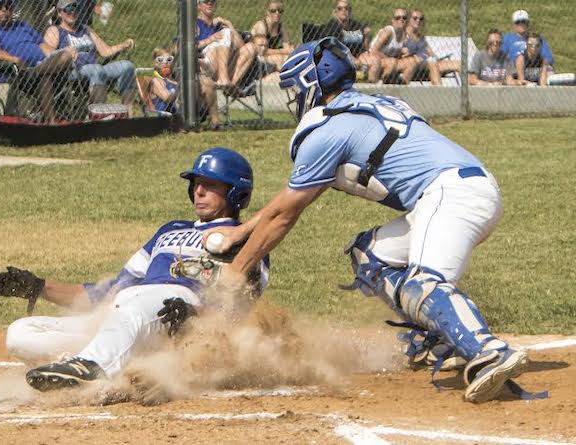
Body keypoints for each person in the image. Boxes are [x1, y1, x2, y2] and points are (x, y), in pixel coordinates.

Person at [206, 37, 542, 404]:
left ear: (313, 83)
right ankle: (444, 340)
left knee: (423, 283)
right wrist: (242, 231)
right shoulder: (364, 108)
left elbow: (285, 216)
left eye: (296, 89)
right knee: (371, 254)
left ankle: (489, 352)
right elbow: (285, 205)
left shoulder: (328, 130)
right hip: (460, 190)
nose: (294, 99)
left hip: (450, 194)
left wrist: (235, 272)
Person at [0, 147, 269, 392]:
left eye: (210, 184)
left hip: (176, 317)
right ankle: (113, 359)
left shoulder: (246, 242)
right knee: (21, 333)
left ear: (235, 194)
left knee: (130, 303)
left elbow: (239, 309)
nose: (199, 190)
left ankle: (93, 368)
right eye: (195, 183)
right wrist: (38, 286)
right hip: (129, 311)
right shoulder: (170, 230)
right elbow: (108, 291)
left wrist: (197, 319)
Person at [43, 0, 136, 112]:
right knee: (96, 69)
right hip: (72, 71)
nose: (72, 11)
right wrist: (65, 53)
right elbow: (47, 53)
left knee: (127, 66)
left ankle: (128, 114)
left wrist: (123, 45)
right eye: (68, 8)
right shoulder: (54, 30)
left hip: (96, 68)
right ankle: (98, 117)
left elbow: (105, 51)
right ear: (59, 12)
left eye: (75, 7)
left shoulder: (86, 29)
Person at [0, 0, 75, 124]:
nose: (5, 10)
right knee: (45, 76)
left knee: (67, 54)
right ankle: (52, 121)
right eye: (0, 7)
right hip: (21, 72)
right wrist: (14, 59)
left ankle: (38, 72)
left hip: (42, 66)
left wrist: (55, 55)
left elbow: (42, 44)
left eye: (8, 6)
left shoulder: (22, 25)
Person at [321, 0, 378, 80]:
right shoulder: (331, 27)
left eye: (346, 8)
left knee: (375, 62)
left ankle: (371, 85)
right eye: (340, 8)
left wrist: (367, 37)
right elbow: (332, 48)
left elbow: (365, 47)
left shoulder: (356, 25)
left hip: (358, 57)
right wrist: (350, 59)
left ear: (350, 11)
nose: (343, 11)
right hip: (340, 57)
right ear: (335, 12)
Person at [195, 0, 244, 89]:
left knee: (249, 47)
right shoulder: (196, 24)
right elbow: (190, 46)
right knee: (225, 33)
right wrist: (210, 39)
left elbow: (242, 47)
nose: (210, 3)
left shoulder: (219, 25)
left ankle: (228, 82)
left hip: (222, 65)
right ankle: (223, 78)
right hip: (205, 62)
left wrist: (229, 25)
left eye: (212, 1)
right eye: (206, 1)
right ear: (199, 6)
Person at [404, 9, 460, 86]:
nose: (418, 21)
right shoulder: (403, 35)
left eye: (421, 19)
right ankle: (439, 91)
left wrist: (435, 57)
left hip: (426, 65)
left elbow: (430, 53)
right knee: (432, 64)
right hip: (413, 66)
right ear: (408, 20)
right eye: (415, 18)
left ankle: (468, 91)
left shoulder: (420, 37)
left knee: (459, 64)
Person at [369, 8, 417, 84]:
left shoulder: (405, 35)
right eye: (397, 18)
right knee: (392, 62)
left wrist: (404, 53)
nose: (401, 20)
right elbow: (374, 50)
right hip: (374, 59)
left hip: (390, 61)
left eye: (404, 18)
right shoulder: (388, 31)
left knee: (412, 61)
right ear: (393, 20)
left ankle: (402, 83)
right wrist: (389, 58)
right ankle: (385, 83)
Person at [148, 47, 177, 114]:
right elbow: (167, 98)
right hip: (165, 117)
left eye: (169, 59)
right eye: (161, 60)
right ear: (156, 63)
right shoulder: (156, 81)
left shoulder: (176, 80)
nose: (165, 62)